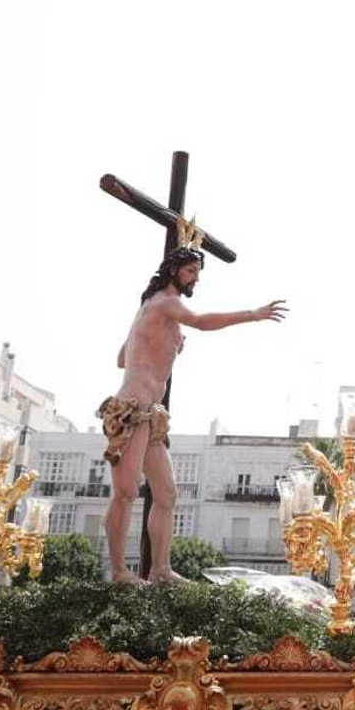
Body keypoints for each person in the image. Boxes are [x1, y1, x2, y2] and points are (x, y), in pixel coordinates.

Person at [103, 244, 286, 582]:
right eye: (190, 272)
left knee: (167, 494)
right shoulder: (168, 303)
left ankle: (160, 568)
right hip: (131, 409)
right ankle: (117, 571)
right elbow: (201, 321)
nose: (195, 280)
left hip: (151, 414)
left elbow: (120, 357)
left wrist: (159, 344)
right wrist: (253, 314)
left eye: (197, 274)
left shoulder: (151, 308)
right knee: (126, 492)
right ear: (174, 271)